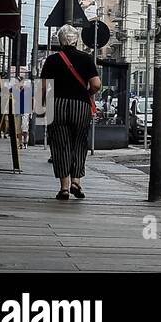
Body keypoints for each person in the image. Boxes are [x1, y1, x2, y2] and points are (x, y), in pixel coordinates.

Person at [39, 25, 100, 200]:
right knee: (79, 143)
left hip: (56, 105)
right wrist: (87, 94)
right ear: (76, 40)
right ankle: (76, 181)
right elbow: (96, 84)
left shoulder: (52, 60)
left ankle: (64, 188)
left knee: (60, 144)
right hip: (80, 106)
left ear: (60, 41)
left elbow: (43, 87)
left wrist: (41, 107)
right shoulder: (86, 59)